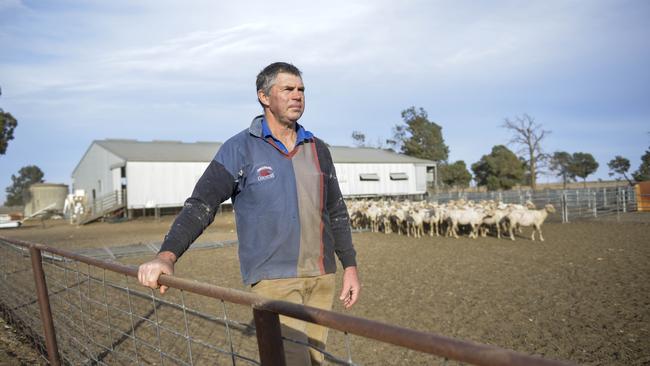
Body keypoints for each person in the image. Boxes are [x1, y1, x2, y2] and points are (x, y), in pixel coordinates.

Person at [138, 62, 360, 365]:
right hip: (274, 281)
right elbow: (202, 204)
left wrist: (349, 265)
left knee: (316, 361)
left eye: (301, 90)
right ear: (264, 97)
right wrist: (167, 255)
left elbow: (335, 209)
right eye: (288, 89)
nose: (297, 96)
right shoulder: (239, 149)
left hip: (322, 278)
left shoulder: (318, 148)